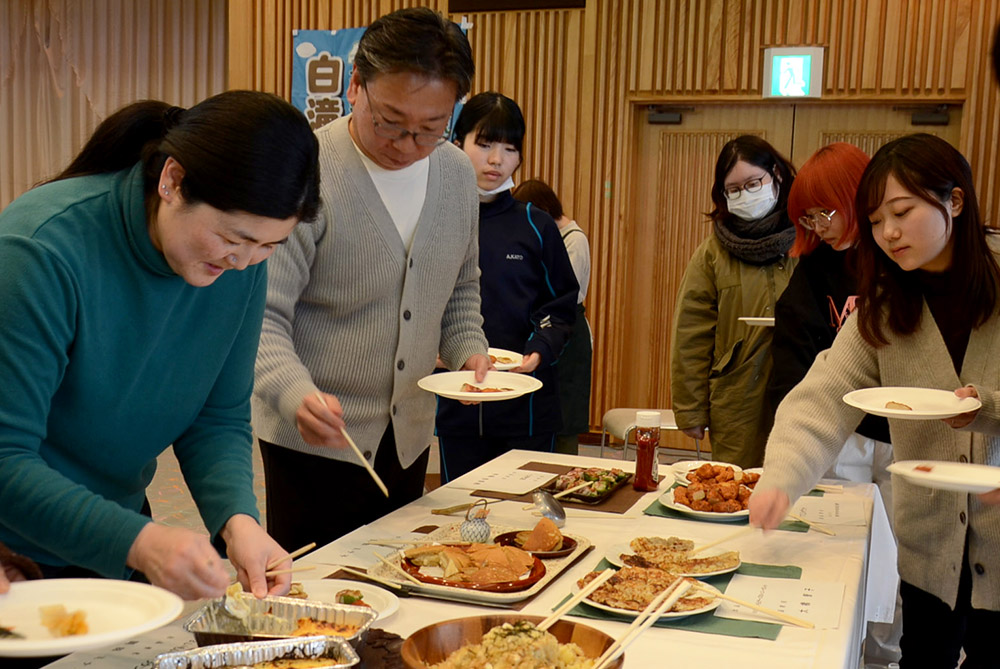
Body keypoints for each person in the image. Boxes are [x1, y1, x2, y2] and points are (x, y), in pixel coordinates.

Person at [0, 91, 321, 601]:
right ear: (171, 181)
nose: (244, 262)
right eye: (233, 238)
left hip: (116, 532)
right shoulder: (40, 250)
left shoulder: (238, 265)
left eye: (269, 246)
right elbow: (5, 459)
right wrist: (143, 542)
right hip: (17, 552)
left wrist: (238, 520)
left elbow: (217, 415)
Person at [750, 134, 1000, 665]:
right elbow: (821, 398)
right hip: (930, 547)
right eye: (876, 219)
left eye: (902, 212)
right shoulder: (885, 311)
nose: (887, 233)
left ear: (955, 202)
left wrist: (990, 409)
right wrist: (781, 480)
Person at [252, 7, 490, 549]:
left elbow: (460, 290)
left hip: (407, 433)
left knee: (402, 581)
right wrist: (294, 393)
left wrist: (469, 352)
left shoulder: (454, 175)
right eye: (390, 122)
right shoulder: (307, 169)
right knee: (316, 600)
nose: (407, 145)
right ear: (354, 84)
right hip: (311, 439)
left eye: (431, 129)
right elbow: (260, 316)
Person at [435, 93, 578, 482]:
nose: (496, 160)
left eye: (510, 148)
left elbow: (561, 306)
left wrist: (538, 352)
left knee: (528, 520)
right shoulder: (436, 221)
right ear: (457, 143)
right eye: (484, 145)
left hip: (527, 406)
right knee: (462, 522)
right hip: (457, 404)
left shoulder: (536, 224)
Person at [768, 143, 894, 499]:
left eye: (826, 211)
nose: (819, 226)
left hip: (901, 428)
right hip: (842, 430)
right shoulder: (815, 267)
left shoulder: (898, 258)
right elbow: (792, 357)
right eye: (809, 216)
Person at [670, 135, 797, 468]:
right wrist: (691, 409)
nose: (745, 195)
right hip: (738, 395)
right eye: (734, 189)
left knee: (802, 488)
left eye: (754, 183)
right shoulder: (713, 254)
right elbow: (691, 334)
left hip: (802, 388)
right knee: (736, 490)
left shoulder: (807, 238)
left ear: (777, 176)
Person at [512, 178, 592, 455]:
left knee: (566, 410)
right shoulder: (545, 236)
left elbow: (561, 293)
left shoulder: (573, 238)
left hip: (568, 329)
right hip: (545, 327)